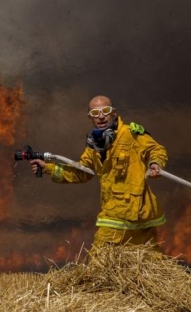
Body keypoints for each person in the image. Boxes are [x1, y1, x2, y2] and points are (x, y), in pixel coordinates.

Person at [30, 95, 168, 252]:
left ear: (114, 113)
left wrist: (155, 164)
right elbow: (82, 172)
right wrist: (48, 168)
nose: (101, 116)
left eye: (106, 111)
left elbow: (156, 149)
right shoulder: (94, 145)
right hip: (114, 208)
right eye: (95, 113)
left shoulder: (131, 133)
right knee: (144, 264)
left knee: (103, 261)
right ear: (90, 118)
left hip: (135, 210)